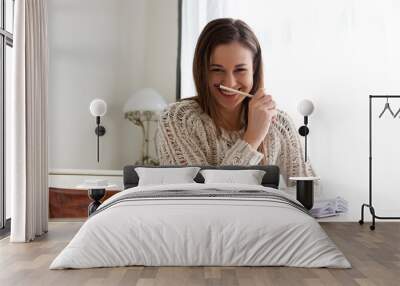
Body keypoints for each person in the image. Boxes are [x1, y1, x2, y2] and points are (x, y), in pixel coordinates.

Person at [157, 18, 314, 187]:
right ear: (203, 71)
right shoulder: (178, 119)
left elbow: (310, 192)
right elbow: (202, 197)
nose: (230, 83)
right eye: (217, 70)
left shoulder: (279, 123)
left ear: (253, 70)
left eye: (240, 70)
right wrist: (252, 137)